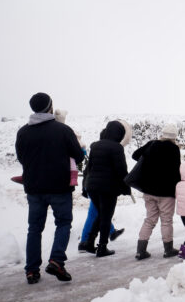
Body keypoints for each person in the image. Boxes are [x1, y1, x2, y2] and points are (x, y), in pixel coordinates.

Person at [15, 92, 85, 284]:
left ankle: (31, 270)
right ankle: (56, 260)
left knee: (34, 228)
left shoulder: (23, 132)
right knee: (63, 223)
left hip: (34, 188)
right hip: (59, 187)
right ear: (49, 107)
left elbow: (21, 158)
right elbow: (78, 156)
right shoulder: (62, 130)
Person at [78, 118, 131, 253]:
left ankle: (90, 242)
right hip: (108, 188)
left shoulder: (95, 145)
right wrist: (126, 187)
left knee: (101, 214)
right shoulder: (117, 148)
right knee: (106, 216)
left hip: (93, 187)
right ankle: (102, 247)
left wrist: (85, 186)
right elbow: (121, 170)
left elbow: (89, 167)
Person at [133, 123, 182, 260]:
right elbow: (176, 171)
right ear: (174, 137)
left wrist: (149, 160)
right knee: (166, 221)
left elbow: (135, 155)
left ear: (163, 134)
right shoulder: (174, 149)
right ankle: (168, 249)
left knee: (149, 220)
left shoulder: (152, 144)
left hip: (149, 190)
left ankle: (140, 250)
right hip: (166, 192)